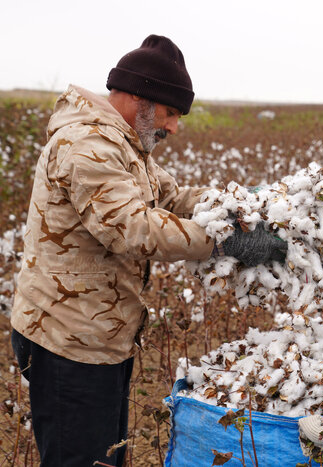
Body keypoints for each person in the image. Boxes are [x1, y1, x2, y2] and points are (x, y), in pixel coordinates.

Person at [10, 34, 286, 466]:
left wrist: (240, 204)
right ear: (139, 98)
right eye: (171, 112)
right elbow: (133, 227)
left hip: (101, 334)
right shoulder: (87, 146)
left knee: (104, 456)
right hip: (69, 341)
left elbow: (172, 199)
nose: (174, 127)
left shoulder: (126, 145)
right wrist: (226, 240)